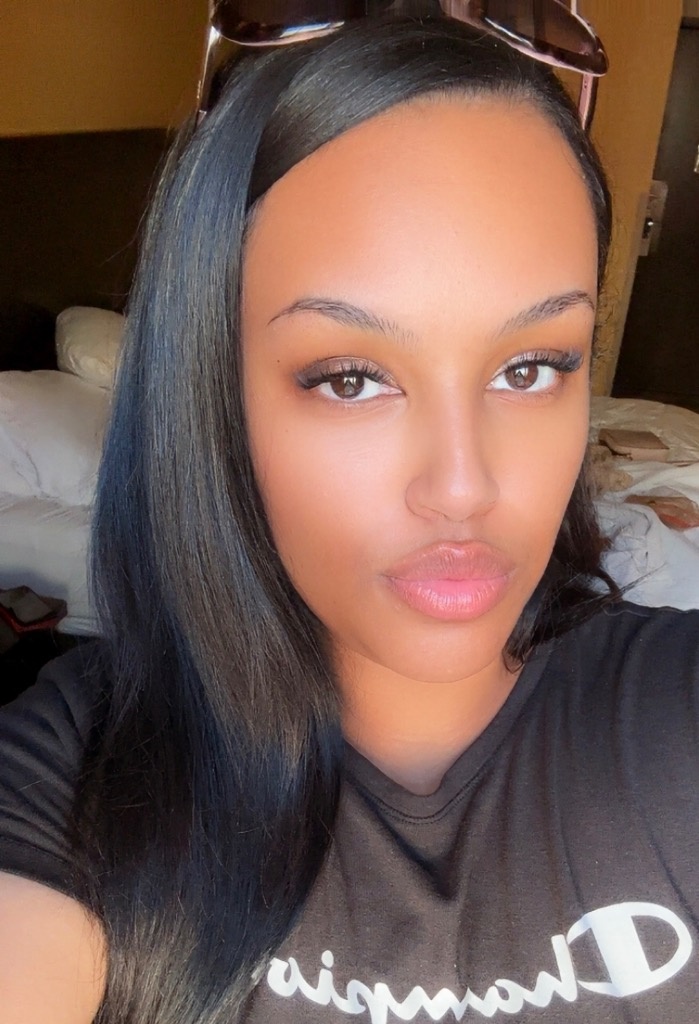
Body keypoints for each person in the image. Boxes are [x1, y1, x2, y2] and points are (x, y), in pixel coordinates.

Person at [1, 8, 698, 1024]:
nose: (461, 485)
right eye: (350, 378)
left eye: (529, 367)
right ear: (213, 394)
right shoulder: (74, 773)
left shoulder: (675, 710)